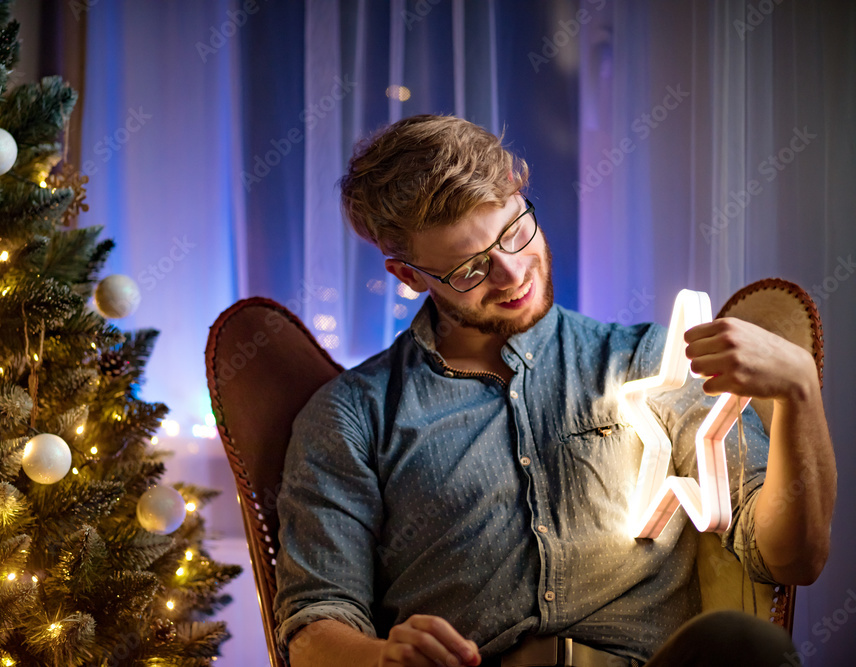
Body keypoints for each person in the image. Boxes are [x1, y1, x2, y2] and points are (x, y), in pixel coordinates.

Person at [272, 115, 836, 667]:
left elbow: (792, 559)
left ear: (521, 197)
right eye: (471, 269)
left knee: (746, 645)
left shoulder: (650, 361)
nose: (513, 273)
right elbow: (315, 622)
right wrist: (379, 658)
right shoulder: (352, 416)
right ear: (410, 276)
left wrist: (799, 395)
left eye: (515, 233)